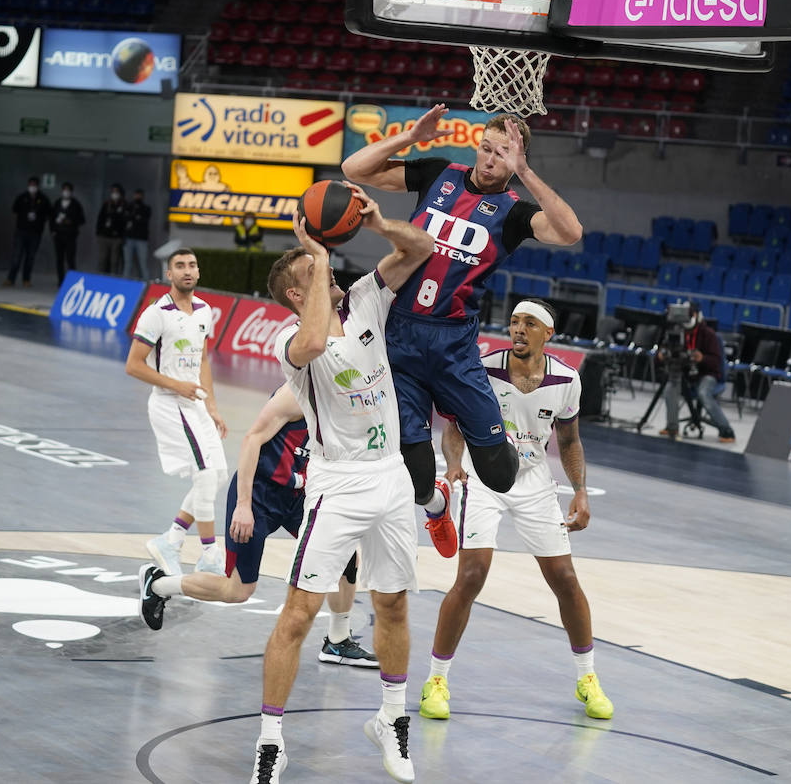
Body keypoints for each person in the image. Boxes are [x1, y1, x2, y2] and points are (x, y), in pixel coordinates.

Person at [341, 104, 583, 560]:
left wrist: (525, 171)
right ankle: (437, 506)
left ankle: (481, 429)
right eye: (486, 149)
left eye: (502, 155)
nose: (490, 160)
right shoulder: (439, 174)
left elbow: (570, 232)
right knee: (413, 475)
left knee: (499, 475)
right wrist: (411, 136)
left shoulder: (513, 213)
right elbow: (355, 168)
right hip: (401, 337)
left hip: (454, 344)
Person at [250, 185, 432, 783]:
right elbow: (310, 341)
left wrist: (380, 222)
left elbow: (423, 247)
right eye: (317, 269)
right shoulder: (291, 343)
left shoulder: (365, 301)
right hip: (337, 484)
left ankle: (391, 718)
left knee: (394, 605)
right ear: (298, 293)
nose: (332, 268)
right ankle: (270, 743)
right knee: (298, 614)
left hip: (390, 480)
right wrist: (318, 255)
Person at [420, 298, 613, 723]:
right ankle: (436, 680)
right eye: (513, 322)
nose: (518, 329)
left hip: (533, 482)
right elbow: (453, 429)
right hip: (484, 478)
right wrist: (453, 465)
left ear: (548, 333)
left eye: (529, 323)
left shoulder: (566, 380)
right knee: (471, 575)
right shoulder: (483, 371)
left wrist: (579, 491)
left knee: (564, 578)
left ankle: (588, 678)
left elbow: (570, 441)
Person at [138, 384, 377, 669]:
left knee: (346, 554)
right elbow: (251, 439)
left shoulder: (346, 399)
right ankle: (160, 585)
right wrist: (243, 505)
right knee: (238, 590)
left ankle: (337, 641)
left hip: (300, 495)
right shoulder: (296, 394)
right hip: (259, 494)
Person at [127, 249, 229, 577]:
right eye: (180, 266)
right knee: (204, 474)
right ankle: (211, 553)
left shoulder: (204, 311)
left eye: (192, 265)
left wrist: (212, 407)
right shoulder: (156, 314)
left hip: (195, 402)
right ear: (169, 274)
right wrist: (176, 385)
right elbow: (133, 365)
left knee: (216, 476)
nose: (188, 271)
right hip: (169, 403)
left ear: (198, 272)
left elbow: (202, 361)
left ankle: (170, 540)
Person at [657, 302, 734, 442]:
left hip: (707, 374)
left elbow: (716, 362)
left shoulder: (709, 334)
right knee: (669, 389)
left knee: (703, 393)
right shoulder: (676, 332)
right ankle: (672, 427)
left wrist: (702, 358)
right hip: (684, 373)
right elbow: (665, 349)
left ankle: (726, 430)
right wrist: (662, 354)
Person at [5, 177, 50, 287]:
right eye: (31, 185)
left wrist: (39, 219)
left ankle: (26, 279)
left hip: (35, 232)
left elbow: (49, 214)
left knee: (30, 257)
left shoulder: (43, 199)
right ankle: (10, 279)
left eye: (34, 185)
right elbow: (14, 209)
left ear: (38, 186)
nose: (32, 187)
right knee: (16, 256)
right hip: (21, 231)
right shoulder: (22, 197)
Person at [50, 182, 86, 283]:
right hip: (58, 235)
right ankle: (60, 280)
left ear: (71, 191)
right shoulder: (57, 203)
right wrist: (53, 230)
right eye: (64, 190)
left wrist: (71, 221)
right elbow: (51, 218)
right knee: (59, 259)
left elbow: (82, 220)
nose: (66, 192)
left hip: (70, 235)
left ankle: (72, 281)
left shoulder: (76, 204)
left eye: (68, 190)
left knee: (70, 259)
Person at [95, 184, 126, 275]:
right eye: (113, 192)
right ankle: (101, 278)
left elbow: (124, 221)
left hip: (116, 238)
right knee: (103, 259)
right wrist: (99, 232)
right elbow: (100, 219)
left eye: (116, 192)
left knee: (114, 260)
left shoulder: (124, 205)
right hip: (104, 236)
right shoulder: (107, 204)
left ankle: (113, 279)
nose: (114, 194)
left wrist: (121, 236)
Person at [122, 188, 151, 280]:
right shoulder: (129, 206)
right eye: (136, 195)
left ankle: (147, 283)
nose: (137, 197)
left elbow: (143, 220)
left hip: (141, 239)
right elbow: (125, 218)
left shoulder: (146, 208)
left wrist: (134, 217)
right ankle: (124, 281)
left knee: (142, 263)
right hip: (129, 238)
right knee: (127, 263)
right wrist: (135, 216)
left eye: (139, 195)